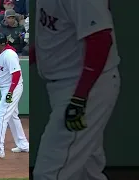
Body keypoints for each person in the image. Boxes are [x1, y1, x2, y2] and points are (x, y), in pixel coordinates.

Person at [32, 1, 120, 180]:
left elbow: (101, 39)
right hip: (65, 85)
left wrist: (80, 97)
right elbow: (56, 36)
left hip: (86, 86)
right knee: (86, 171)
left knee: (49, 172)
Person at [0, 32, 29, 158]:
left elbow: (16, 74)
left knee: (1, 116)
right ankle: (23, 144)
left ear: (2, 43)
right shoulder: (2, 53)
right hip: (7, 87)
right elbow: (3, 73)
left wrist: (10, 92)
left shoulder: (9, 55)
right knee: (12, 117)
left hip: (12, 88)